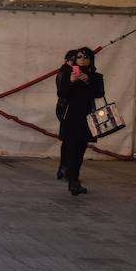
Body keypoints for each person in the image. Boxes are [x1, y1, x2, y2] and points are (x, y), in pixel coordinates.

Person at [56, 46, 105, 195]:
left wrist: (88, 80)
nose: (83, 60)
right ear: (75, 60)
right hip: (71, 117)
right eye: (79, 57)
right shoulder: (67, 74)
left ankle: (73, 176)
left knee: (81, 149)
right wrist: (70, 81)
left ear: (91, 59)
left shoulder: (96, 77)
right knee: (71, 147)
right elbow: (61, 94)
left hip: (88, 118)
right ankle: (73, 180)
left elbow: (99, 93)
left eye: (86, 57)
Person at [54, 49, 78, 180]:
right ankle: (65, 168)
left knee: (69, 140)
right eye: (75, 60)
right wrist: (73, 81)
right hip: (67, 110)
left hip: (66, 109)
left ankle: (64, 168)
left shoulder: (66, 71)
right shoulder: (67, 72)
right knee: (70, 140)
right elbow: (62, 93)